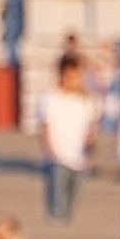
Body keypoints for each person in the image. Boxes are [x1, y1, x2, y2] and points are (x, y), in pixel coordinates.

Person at [38, 56, 94, 222]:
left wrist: (89, 152)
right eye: (69, 76)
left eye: (76, 76)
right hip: (57, 157)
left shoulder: (85, 101)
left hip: (78, 157)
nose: (73, 81)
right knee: (57, 204)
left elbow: (90, 130)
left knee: (72, 202)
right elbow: (45, 127)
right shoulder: (50, 98)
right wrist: (50, 151)